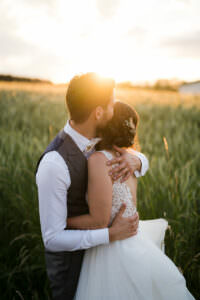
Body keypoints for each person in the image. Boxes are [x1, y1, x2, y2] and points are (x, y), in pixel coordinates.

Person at [35, 73, 149, 300]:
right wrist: (109, 235)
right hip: (71, 267)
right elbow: (52, 238)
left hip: (105, 256)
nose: (113, 109)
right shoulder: (54, 164)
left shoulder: (98, 139)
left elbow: (128, 153)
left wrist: (139, 161)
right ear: (98, 113)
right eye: (110, 105)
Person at [67, 101, 196, 300]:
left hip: (110, 251)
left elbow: (100, 221)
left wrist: (63, 222)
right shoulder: (129, 159)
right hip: (133, 243)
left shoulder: (100, 160)